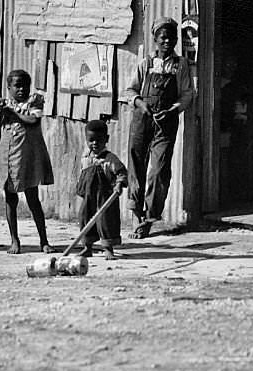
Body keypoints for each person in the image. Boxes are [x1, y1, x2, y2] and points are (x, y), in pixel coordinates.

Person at [124, 17, 195, 239]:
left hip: (166, 122)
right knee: (136, 165)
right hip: (142, 119)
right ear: (155, 39)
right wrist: (141, 103)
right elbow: (129, 90)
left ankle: (150, 217)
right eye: (163, 37)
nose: (168, 41)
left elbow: (187, 94)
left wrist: (173, 110)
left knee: (159, 170)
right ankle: (136, 215)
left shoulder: (180, 64)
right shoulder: (145, 62)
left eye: (172, 37)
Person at [0, 69, 54, 254]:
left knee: (33, 199)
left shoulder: (33, 101)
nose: (22, 89)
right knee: (10, 199)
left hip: (28, 158)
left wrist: (13, 113)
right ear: (9, 88)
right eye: (17, 86)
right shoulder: (5, 104)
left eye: (25, 85)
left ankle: (44, 240)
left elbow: (33, 120)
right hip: (8, 156)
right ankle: (14, 240)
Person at [76, 120, 128, 260]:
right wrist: (81, 189)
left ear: (107, 139)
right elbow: (82, 174)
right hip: (89, 197)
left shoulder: (110, 159)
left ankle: (108, 249)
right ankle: (87, 248)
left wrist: (119, 184)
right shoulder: (85, 157)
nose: (94, 143)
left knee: (106, 222)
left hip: (105, 198)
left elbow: (121, 173)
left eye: (99, 140)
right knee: (85, 219)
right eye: (91, 140)